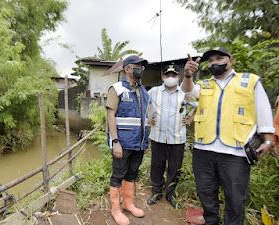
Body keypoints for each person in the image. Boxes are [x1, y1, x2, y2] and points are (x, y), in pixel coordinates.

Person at [182, 47, 278, 225]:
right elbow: (188, 93)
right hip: (204, 151)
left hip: (236, 153)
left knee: (235, 199)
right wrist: (188, 76)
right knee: (206, 195)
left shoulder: (249, 81)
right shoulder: (203, 85)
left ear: (231, 60)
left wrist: (269, 141)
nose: (214, 63)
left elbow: (263, 110)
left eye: (219, 58)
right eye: (210, 60)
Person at [106, 55, 149, 225]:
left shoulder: (143, 91)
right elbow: (110, 116)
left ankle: (128, 204)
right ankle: (116, 209)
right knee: (118, 175)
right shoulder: (116, 89)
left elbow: (144, 118)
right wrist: (115, 142)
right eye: (137, 66)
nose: (140, 69)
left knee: (132, 174)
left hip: (138, 144)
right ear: (127, 69)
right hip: (122, 144)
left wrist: (145, 143)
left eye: (142, 66)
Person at [146, 64, 186, 209]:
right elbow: (142, 103)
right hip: (158, 137)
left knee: (174, 168)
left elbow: (198, 105)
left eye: (173, 75)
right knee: (157, 166)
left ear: (178, 77)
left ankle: (171, 194)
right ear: (163, 77)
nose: (170, 78)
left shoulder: (184, 93)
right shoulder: (154, 91)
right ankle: (156, 192)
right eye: (167, 75)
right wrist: (148, 119)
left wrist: (191, 119)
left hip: (177, 138)